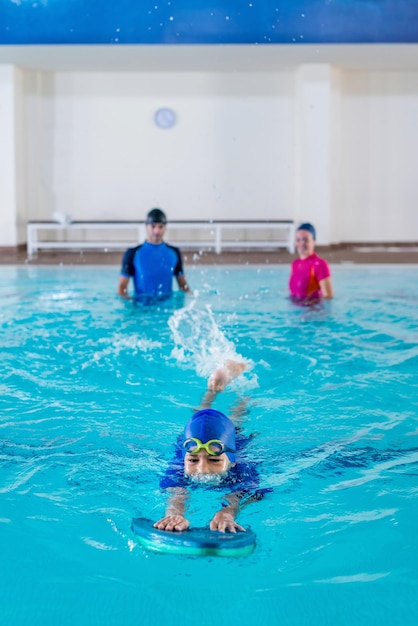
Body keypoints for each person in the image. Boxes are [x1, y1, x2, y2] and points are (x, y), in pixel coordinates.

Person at [154, 360, 270, 534]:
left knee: (236, 421)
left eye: (214, 459)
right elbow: (177, 496)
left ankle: (243, 393)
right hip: (196, 441)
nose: (202, 468)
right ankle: (212, 391)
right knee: (200, 418)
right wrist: (175, 514)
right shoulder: (178, 467)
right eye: (193, 459)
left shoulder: (242, 468)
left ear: (231, 461)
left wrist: (227, 512)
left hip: (233, 441)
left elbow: (244, 493)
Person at [117, 208, 190, 301]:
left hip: (167, 308)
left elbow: (183, 284)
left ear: (165, 228)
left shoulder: (174, 252)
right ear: (147, 226)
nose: (157, 231)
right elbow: (122, 287)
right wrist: (129, 306)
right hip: (142, 308)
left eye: (160, 227)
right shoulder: (132, 253)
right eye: (153, 226)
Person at [289, 222, 334, 302]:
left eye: (305, 240)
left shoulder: (320, 264)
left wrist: (312, 304)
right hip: (295, 311)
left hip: (312, 311)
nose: (301, 243)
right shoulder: (295, 264)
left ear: (313, 241)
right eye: (298, 240)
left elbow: (328, 296)